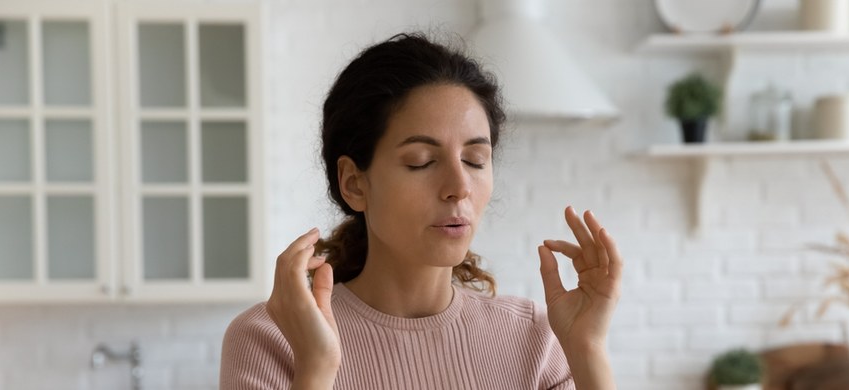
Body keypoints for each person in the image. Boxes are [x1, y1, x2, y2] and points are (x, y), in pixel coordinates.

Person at [220, 32, 623, 390]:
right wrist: (317, 367)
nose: (459, 187)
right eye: (421, 161)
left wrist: (587, 352)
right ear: (354, 183)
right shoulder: (271, 339)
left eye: (475, 160)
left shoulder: (535, 338)